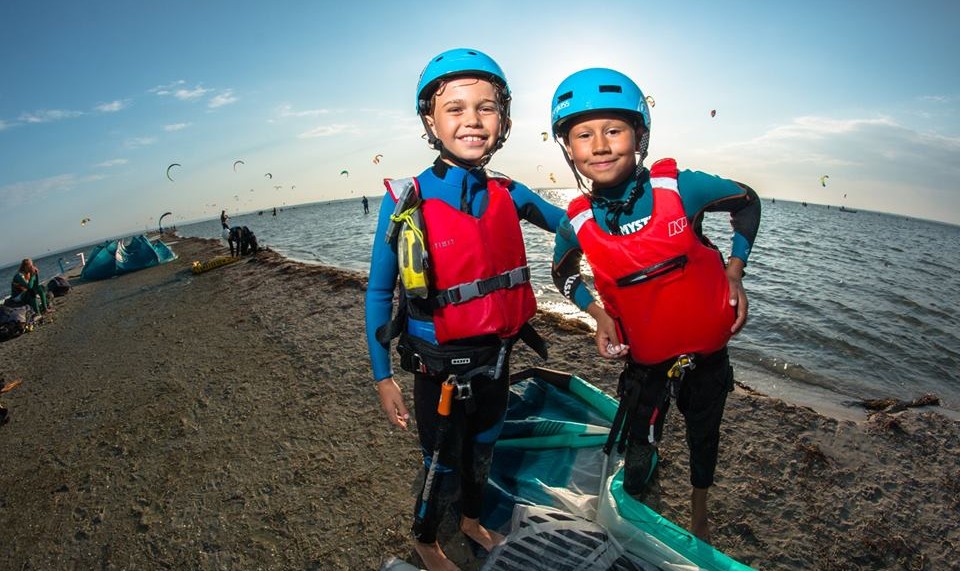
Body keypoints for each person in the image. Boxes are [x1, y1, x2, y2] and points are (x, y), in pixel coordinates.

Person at [365, 48, 563, 571]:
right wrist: (383, 377)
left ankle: (472, 521)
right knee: (441, 464)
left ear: (505, 121)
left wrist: (633, 210)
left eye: (486, 107)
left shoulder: (509, 192)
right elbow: (377, 293)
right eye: (455, 108)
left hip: (496, 359)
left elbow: (575, 226)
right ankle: (427, 540)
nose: (472, 120)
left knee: (484, 450)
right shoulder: (406, 199)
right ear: (430, 120)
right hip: (439, 371)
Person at [548, 68, 761, 543]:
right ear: (568, 147)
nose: (599, 145)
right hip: (644, 366)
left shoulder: (683, 189)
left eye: (613, 130)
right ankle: (639, 494)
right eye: (583, 135)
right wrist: (597, 313)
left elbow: (749, 202)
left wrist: (734, 270)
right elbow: (561, 275)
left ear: (639, 135)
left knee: (704, 437)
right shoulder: (576, 222)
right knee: (642, 441)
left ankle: (700, 514)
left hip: (707, 360)